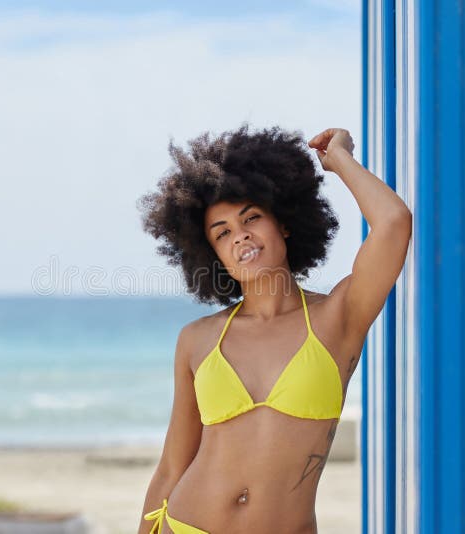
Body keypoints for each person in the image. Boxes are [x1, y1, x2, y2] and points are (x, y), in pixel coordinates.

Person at [135, 125, 412, 534]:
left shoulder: (338, 317)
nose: (240, 234)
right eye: (222, 232)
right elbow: (172, 468)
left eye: (252, 217)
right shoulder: (197, 339)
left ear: (283, 223)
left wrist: (339, 160)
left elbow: (393, 222)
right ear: (212, 254)